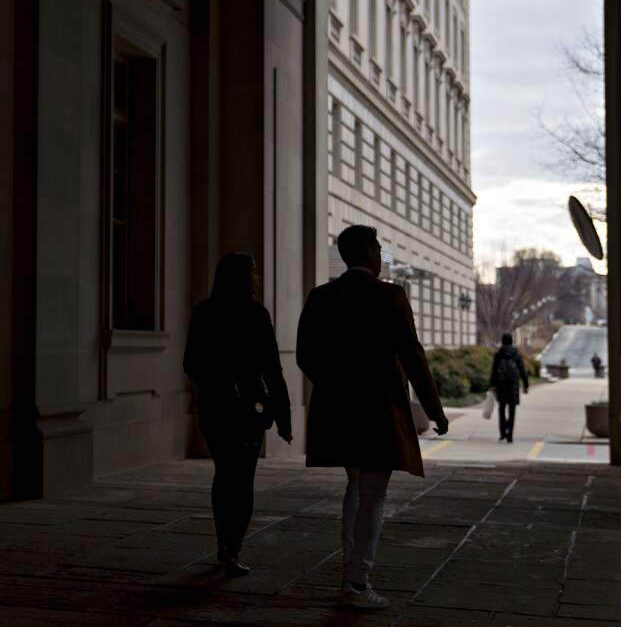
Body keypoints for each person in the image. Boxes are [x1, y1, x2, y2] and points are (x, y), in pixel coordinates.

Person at [296, 225, 449, 610]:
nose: (381, 256)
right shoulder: (390, 295)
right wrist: (434, 410)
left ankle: (350, 566)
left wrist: (332, 386)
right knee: (373, 493)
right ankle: (358, 582)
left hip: (337, 408)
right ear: (366, 251)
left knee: (354, 484)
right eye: (378, 248)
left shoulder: (321, 296)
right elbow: (413, 355)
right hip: (379, 410)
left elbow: (304, 355)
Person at [183, 253, 293, 578]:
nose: (257, 278)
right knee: (243, 480)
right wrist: (284, 418)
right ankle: (233, 550)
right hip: (249, 409)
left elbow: (190, 362)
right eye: (254, 272)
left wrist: (214, 383)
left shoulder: (204, 311)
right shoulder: (255, 313)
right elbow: (272, 370)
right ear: (244, 278)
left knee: (224, 474)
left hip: (215, 408)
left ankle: (223, 543)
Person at [489, 334, 529, 442]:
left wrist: (491, 385)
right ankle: (510, 435)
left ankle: (502, 433)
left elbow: (494, 371)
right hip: (513, 386)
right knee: (512, 411)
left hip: (501, 386)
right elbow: (522, 370)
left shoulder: (498, 354)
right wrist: (526, 385)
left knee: (501, 409)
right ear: (512, 341)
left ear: (502, 341)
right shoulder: (516, 355)